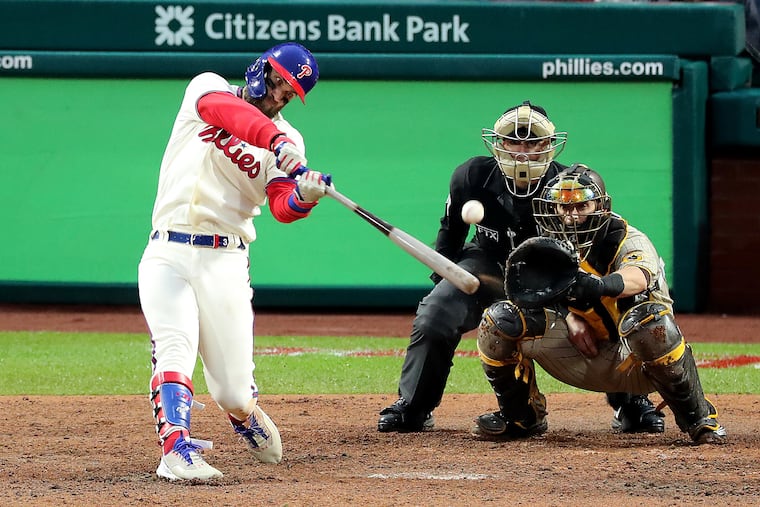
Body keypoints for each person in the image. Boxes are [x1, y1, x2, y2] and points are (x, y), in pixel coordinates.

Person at [138, 42, 333, 481]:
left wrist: (304, 194)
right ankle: (175, 450)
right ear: (261, 68)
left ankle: (243, 414)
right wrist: (275, 140)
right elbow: (225, 112)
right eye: (279, 82)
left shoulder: (290, 143)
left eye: (290, 93)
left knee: (232, 392)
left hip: (224, 259)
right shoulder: (206, 88)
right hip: (167, 249)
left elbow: (281, 205)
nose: (280, 96)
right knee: (175, 345)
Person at [473, 163, 727, 444]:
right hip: (578, 351)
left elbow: (638, 277)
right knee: (498, 321)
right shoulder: (547, 242)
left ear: (600, 206)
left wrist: (597, 286)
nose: (572, 216)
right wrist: (568, 316)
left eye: (581, 206)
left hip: (634, 357)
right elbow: (531, 296)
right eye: (563, 207)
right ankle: (521, 417)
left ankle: (699, 419)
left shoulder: (626, 239)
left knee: (650, 322)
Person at [377, 101, 571, 432]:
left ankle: (631, 404)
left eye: (531, 142)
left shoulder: (569, 187)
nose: (522, 152)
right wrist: (443, 284)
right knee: (436, 311)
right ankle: (414, 406)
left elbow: (588, 257)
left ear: (547, 146)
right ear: (499, 143)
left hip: (552, 278)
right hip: (486, 265)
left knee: (606, 315)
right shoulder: (472, 177)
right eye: (514, 141)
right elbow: (450, 237)